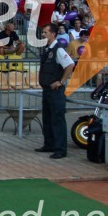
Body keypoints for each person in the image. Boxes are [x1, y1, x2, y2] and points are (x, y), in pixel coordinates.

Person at [36, 23, 75, 159]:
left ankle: (60, 149)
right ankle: (49, 144)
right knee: (47, 118)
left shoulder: (58, 49)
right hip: (47, 89)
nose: (43, 35)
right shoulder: (48, 49)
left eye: (46, 32)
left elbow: (70, 65)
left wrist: (61, 81)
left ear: (53, 34)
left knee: (57, 120)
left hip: (56, 91)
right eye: (43, 32)